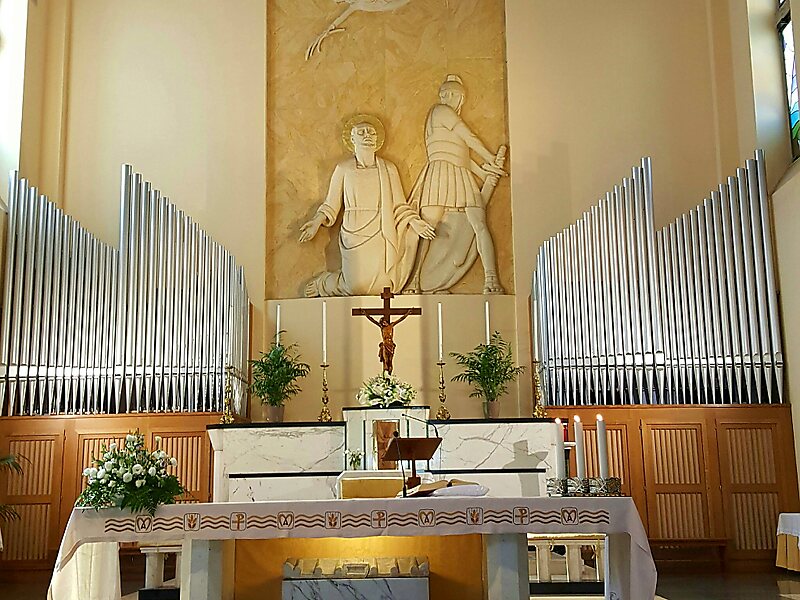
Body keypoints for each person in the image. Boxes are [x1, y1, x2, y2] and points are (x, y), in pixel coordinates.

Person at [299, 116, 435, 296]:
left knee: (383, 287)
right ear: (352, 139)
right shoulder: (344, 169)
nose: (367, 135)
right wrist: (316, 222)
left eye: (371, 132)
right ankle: (325, 283)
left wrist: (415, 223)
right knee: (356, 288)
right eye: (361, 132)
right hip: (354, 231)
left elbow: (399, 204)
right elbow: (331, 204)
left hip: (382, 230)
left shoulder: (388, 169)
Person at [406, 74, 507, 294]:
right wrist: (490, 158)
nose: (450, 98)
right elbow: (469, 137)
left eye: (453, 95)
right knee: (428, 227)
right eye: (447, 94)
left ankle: (491, 278)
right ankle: (413, 280)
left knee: (479, 224)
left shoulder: (446, 118)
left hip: (461, 174)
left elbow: (463, 157)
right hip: (440, 174)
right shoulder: (440, 111)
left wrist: (487, 172)